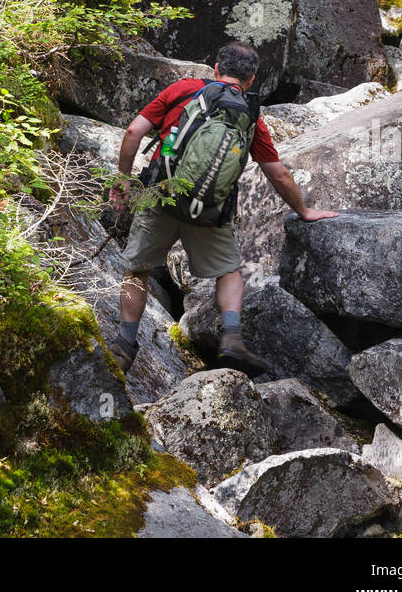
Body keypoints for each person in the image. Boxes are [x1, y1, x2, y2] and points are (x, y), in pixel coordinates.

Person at [108, 41, 338, 374]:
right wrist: (304, 211)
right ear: (252, 79)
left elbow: (133, 131)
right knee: (229, 272)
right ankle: (231, 337)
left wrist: (123, 180)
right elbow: (277, 172)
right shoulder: (250, 116)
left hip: (162, 197)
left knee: (138, 271)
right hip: (210, 212)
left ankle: (124, 345)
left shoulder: (184, 90)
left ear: (216, 69)